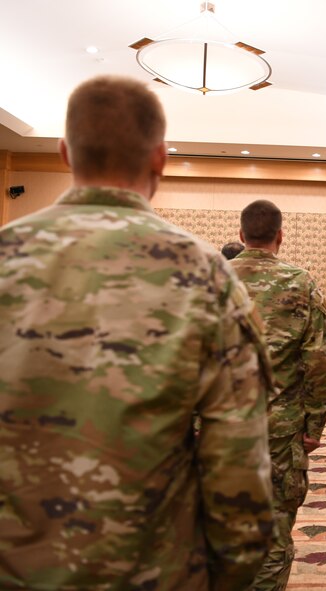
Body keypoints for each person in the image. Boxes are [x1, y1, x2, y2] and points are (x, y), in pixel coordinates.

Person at [0, 76, 274, 590]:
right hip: (152, 571)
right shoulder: (205, 273)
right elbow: (237, 466)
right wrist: (227, 574)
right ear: (160, 158)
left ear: (65, 153)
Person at [229, 199, 326, 591]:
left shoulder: (208, 281)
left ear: (241, 236)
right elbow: (318, 362)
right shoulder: (300, 283)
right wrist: (315, 426)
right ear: (280, 236)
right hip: (280, 430)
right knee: (274, 530)